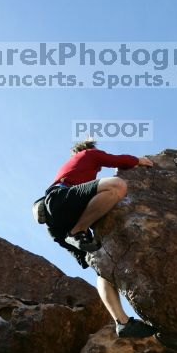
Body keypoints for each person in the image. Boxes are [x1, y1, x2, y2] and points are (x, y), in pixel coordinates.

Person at [36, 138, 157, 339]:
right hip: (60, 201)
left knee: (102, 264)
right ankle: (78, 231)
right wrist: (138, 160)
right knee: (117, 186)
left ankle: (122, 322)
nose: (98, 169)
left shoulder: (72, 169)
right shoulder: (87, 155)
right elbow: (115, 160)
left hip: (58, 225)